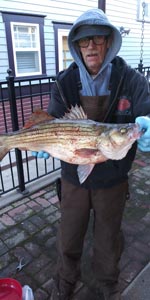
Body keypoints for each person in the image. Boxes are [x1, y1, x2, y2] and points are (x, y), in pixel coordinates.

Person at [32, 8, 150, 300]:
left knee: (108, 238)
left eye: (97, 39)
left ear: (108, 42)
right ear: (76, 45)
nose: (91, 47)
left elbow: (147, 110)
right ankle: (65, 281)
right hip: (73, 175)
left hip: (113, 177)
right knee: (69, 234)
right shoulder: (64, 82)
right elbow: (54, 118)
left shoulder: (132, 79)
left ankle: (107, 284)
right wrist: (42, 140)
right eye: (84, 41)